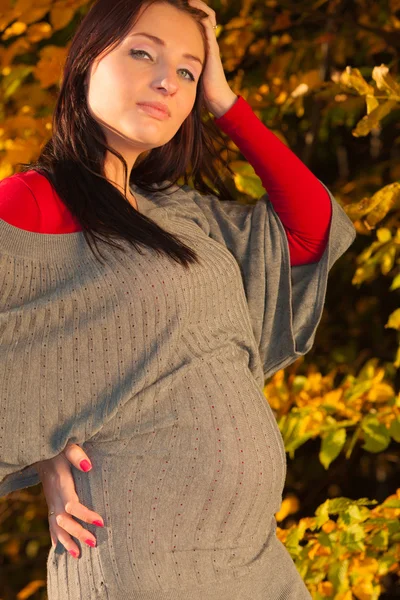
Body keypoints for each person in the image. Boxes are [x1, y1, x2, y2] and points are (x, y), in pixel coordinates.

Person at [0, 0, 357, 598]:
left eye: (188, 70)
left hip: (253, 555)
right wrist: (44, 453)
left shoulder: (180, 214)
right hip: (141, 554)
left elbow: (311, 227)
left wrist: (223, 99)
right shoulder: (33, 201)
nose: (168, 80)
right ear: (87, 60)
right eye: (143, 53)